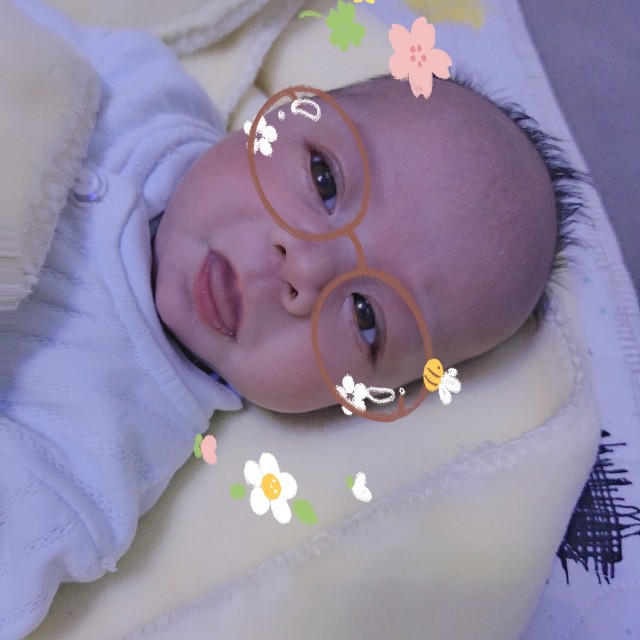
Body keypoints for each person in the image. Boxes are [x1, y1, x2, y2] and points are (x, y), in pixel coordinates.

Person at [1, 0, 586, 638]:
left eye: (365, 317)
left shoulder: (96, 460)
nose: (305, 267)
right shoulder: (140, 87)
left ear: (354, 401)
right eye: (324, 181)